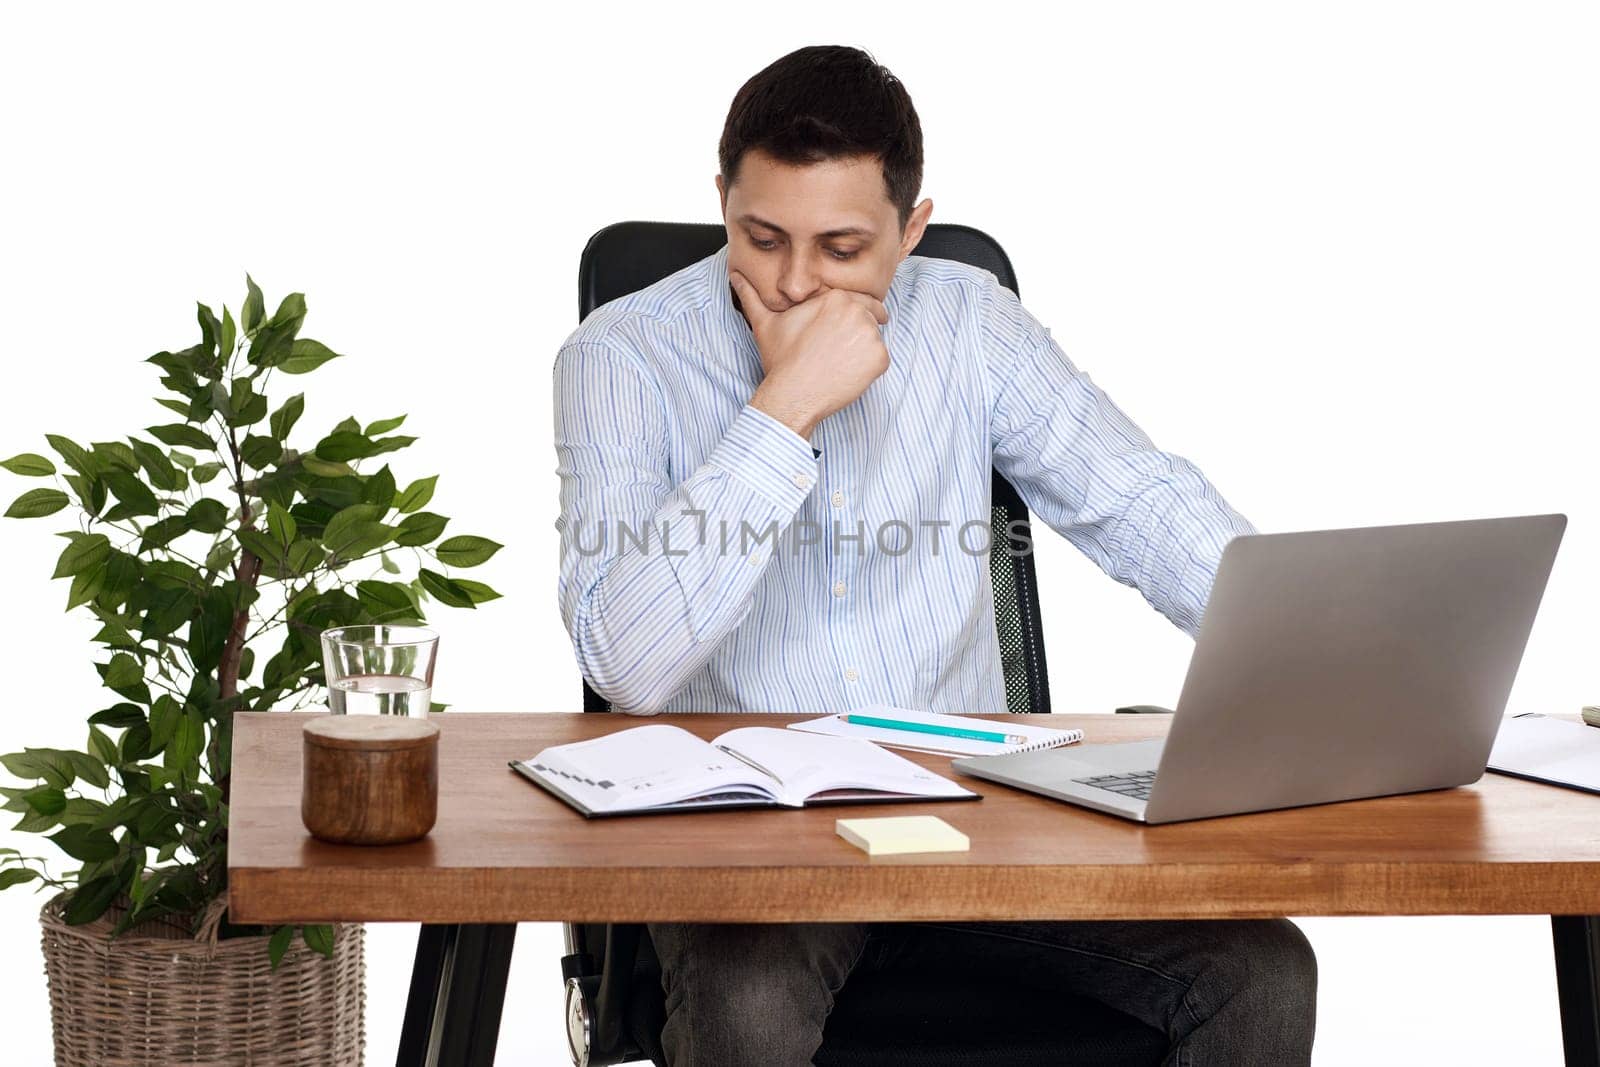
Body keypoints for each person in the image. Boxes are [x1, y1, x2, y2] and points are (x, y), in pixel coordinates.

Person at [553, 43, 1316, 1067]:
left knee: (1261, 971)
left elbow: (1137, 499)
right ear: (721, 198)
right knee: (747, 998)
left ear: (909, 231)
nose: (791, 283)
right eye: (761, 235)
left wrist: (1307, 650)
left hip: (969, 825)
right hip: (748, 854)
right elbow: (624, 663)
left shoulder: (969, 323)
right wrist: (782, 413)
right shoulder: (619, 355)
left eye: (840, 247)